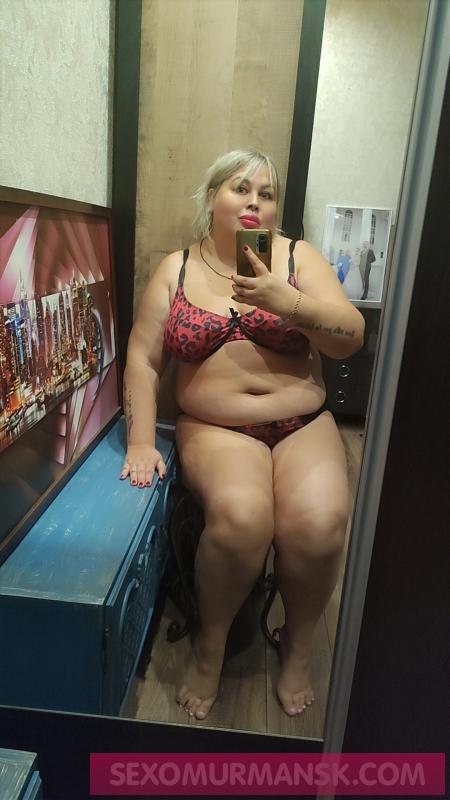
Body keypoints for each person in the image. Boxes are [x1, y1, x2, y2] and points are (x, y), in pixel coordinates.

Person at [121, 149, 365, 721]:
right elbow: (142, 359)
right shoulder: (178, 268)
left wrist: (291, 303)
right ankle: (211, 646)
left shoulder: (297, 258)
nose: (254, 202)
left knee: (321, 522)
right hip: (216, 427)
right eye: (240, 188)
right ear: (212, 197)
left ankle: (297, 647)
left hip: (302, 423)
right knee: (242, 517)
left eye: (267, 193)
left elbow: (350, 336)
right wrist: (139, 440)